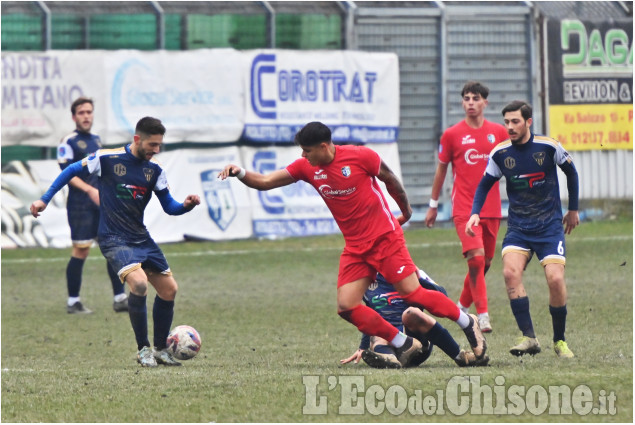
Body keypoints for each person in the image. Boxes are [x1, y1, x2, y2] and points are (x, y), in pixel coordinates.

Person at [218, 121, 487, 367]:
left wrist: (405, 211)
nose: (303, 156)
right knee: (347, 306)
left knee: (413, 294)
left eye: (308, 150)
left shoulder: (360, 156)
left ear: (324, 147)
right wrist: (239, 172)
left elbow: (390, 179)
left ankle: (467, 321)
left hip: (385, 238)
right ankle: (403, 343)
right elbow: (266, 181)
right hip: (356, 248)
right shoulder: (307, 167)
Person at [31, 117, 201, 367]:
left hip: (140, 237)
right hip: (113, 238)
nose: (156, 150)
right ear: (136, 139)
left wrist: (185, 206)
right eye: (152, 145)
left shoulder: (155, 169)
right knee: (140, 284)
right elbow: (69, 171)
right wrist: (44, 199)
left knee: (169, 290)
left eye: (159, 145)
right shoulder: (106, 158)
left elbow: (170, 207)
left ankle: (161, 349)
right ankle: (143, 349)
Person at [466, 100, 579, 359]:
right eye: (506, 122)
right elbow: (485, 184)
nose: (510, 127)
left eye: (515, 121)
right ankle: (529, 337)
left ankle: (559, 341)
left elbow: (571, 173)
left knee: (556, 279)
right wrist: (475, 213)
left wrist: (572, 210)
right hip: (518, 227)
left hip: (549, 226)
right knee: (510, 273)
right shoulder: (500, 153)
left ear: (528, 122)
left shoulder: (549, 146)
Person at [425, 81, 508, 333]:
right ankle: (482, 316)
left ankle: (460, 308)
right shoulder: (452, 134)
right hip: (463, 208)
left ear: (485, 103)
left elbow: (512, 166)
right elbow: (441, 170)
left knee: (485, 263)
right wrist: (433, 204)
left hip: (492, 209)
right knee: (476, 259)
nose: (470, 102)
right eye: (467, 98)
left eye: (476, 98)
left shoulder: (499, 133)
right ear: (462, 103)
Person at [58, 97, 129, 314]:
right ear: (74, 117)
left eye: (89, 112)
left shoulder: (96, 140)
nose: (86, 116)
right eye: (81, 113)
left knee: (111, 249)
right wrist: (89, 190)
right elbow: (65, 174)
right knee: (81, 250)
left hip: (101, 204)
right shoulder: (67, 142)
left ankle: (120, 298)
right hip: (80, 206)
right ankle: (73, 302)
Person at [340, 269, 489, 368]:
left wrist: (418, 280)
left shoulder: (409, 271)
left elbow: (442, 296)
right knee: (378, 331)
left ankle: (460, 356)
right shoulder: (366, 281)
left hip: (418, 342)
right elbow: (370, 315)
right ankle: (391, 360)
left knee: (411, 314)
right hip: (390, 340)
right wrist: (363, 348)